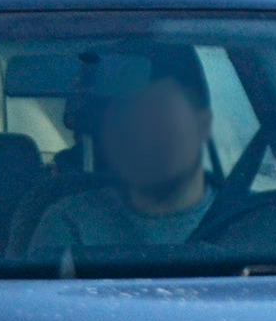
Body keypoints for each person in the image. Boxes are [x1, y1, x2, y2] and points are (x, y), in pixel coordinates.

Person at [27, 46, 215, 256]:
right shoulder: (70, 224)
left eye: (160, 115)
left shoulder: (249, 219)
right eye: (127, 120)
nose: (143, 134)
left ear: (203, 124)